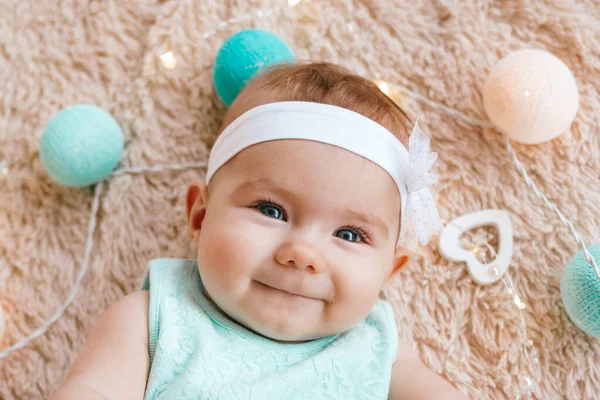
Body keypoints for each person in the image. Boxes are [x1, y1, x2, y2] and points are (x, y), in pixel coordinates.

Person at [51, 62, 468, 399]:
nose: (302, 253)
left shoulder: (383, 348)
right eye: (271, 210)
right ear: (200, 217)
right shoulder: (154, 317)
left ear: (388, 271)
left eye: (350, 235)